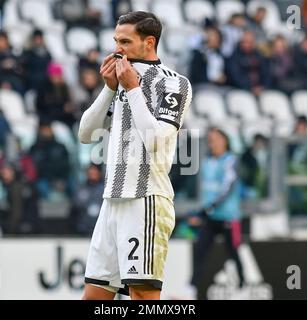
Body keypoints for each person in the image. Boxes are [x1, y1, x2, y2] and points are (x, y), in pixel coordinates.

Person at [78, 11, 192, 300]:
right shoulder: (120, 78)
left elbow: (156, 140)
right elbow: (85, 134)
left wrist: (132, 89)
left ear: (149, 42)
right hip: (112, 201)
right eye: (116, 40)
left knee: (142, 297)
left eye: (126, 41)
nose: (118, 49)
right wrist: (108, 90)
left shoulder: (173, 83)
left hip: (145, 200)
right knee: (94, 296)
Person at [186, 128, 244, 299]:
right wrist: (202, 210)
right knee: (200, 251)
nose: (212, 142)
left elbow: (227, 187)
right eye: (210, 139)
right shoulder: (206, 162)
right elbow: (205, 190)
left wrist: (209, 207)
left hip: (228, 217)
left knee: (233, 252)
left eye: (216, 139)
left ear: (225, 141)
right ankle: (190, 289)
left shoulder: (230, 161)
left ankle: (242, 287)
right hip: (211, 217)